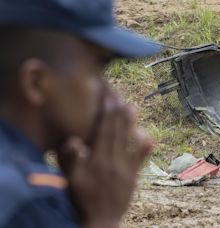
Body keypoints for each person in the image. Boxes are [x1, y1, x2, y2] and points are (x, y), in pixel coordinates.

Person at [0, 0, 160, 227]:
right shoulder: (28, 203)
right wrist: (103, 218)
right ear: (36, 83)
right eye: (98, 69)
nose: (112, 98)